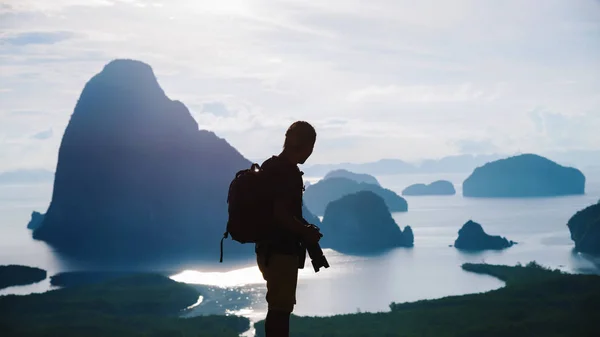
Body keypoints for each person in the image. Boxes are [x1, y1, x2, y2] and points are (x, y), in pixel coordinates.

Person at [256, 121, 322, 337]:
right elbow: (281, 214)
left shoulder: (269, 165)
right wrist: (305, 232)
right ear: (306, 146)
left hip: (266, 249)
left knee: (277, 306)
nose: (310, 153)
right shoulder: (287, 172)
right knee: (280, 310)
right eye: (311, 147)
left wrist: (303, 228)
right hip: (281, 251)